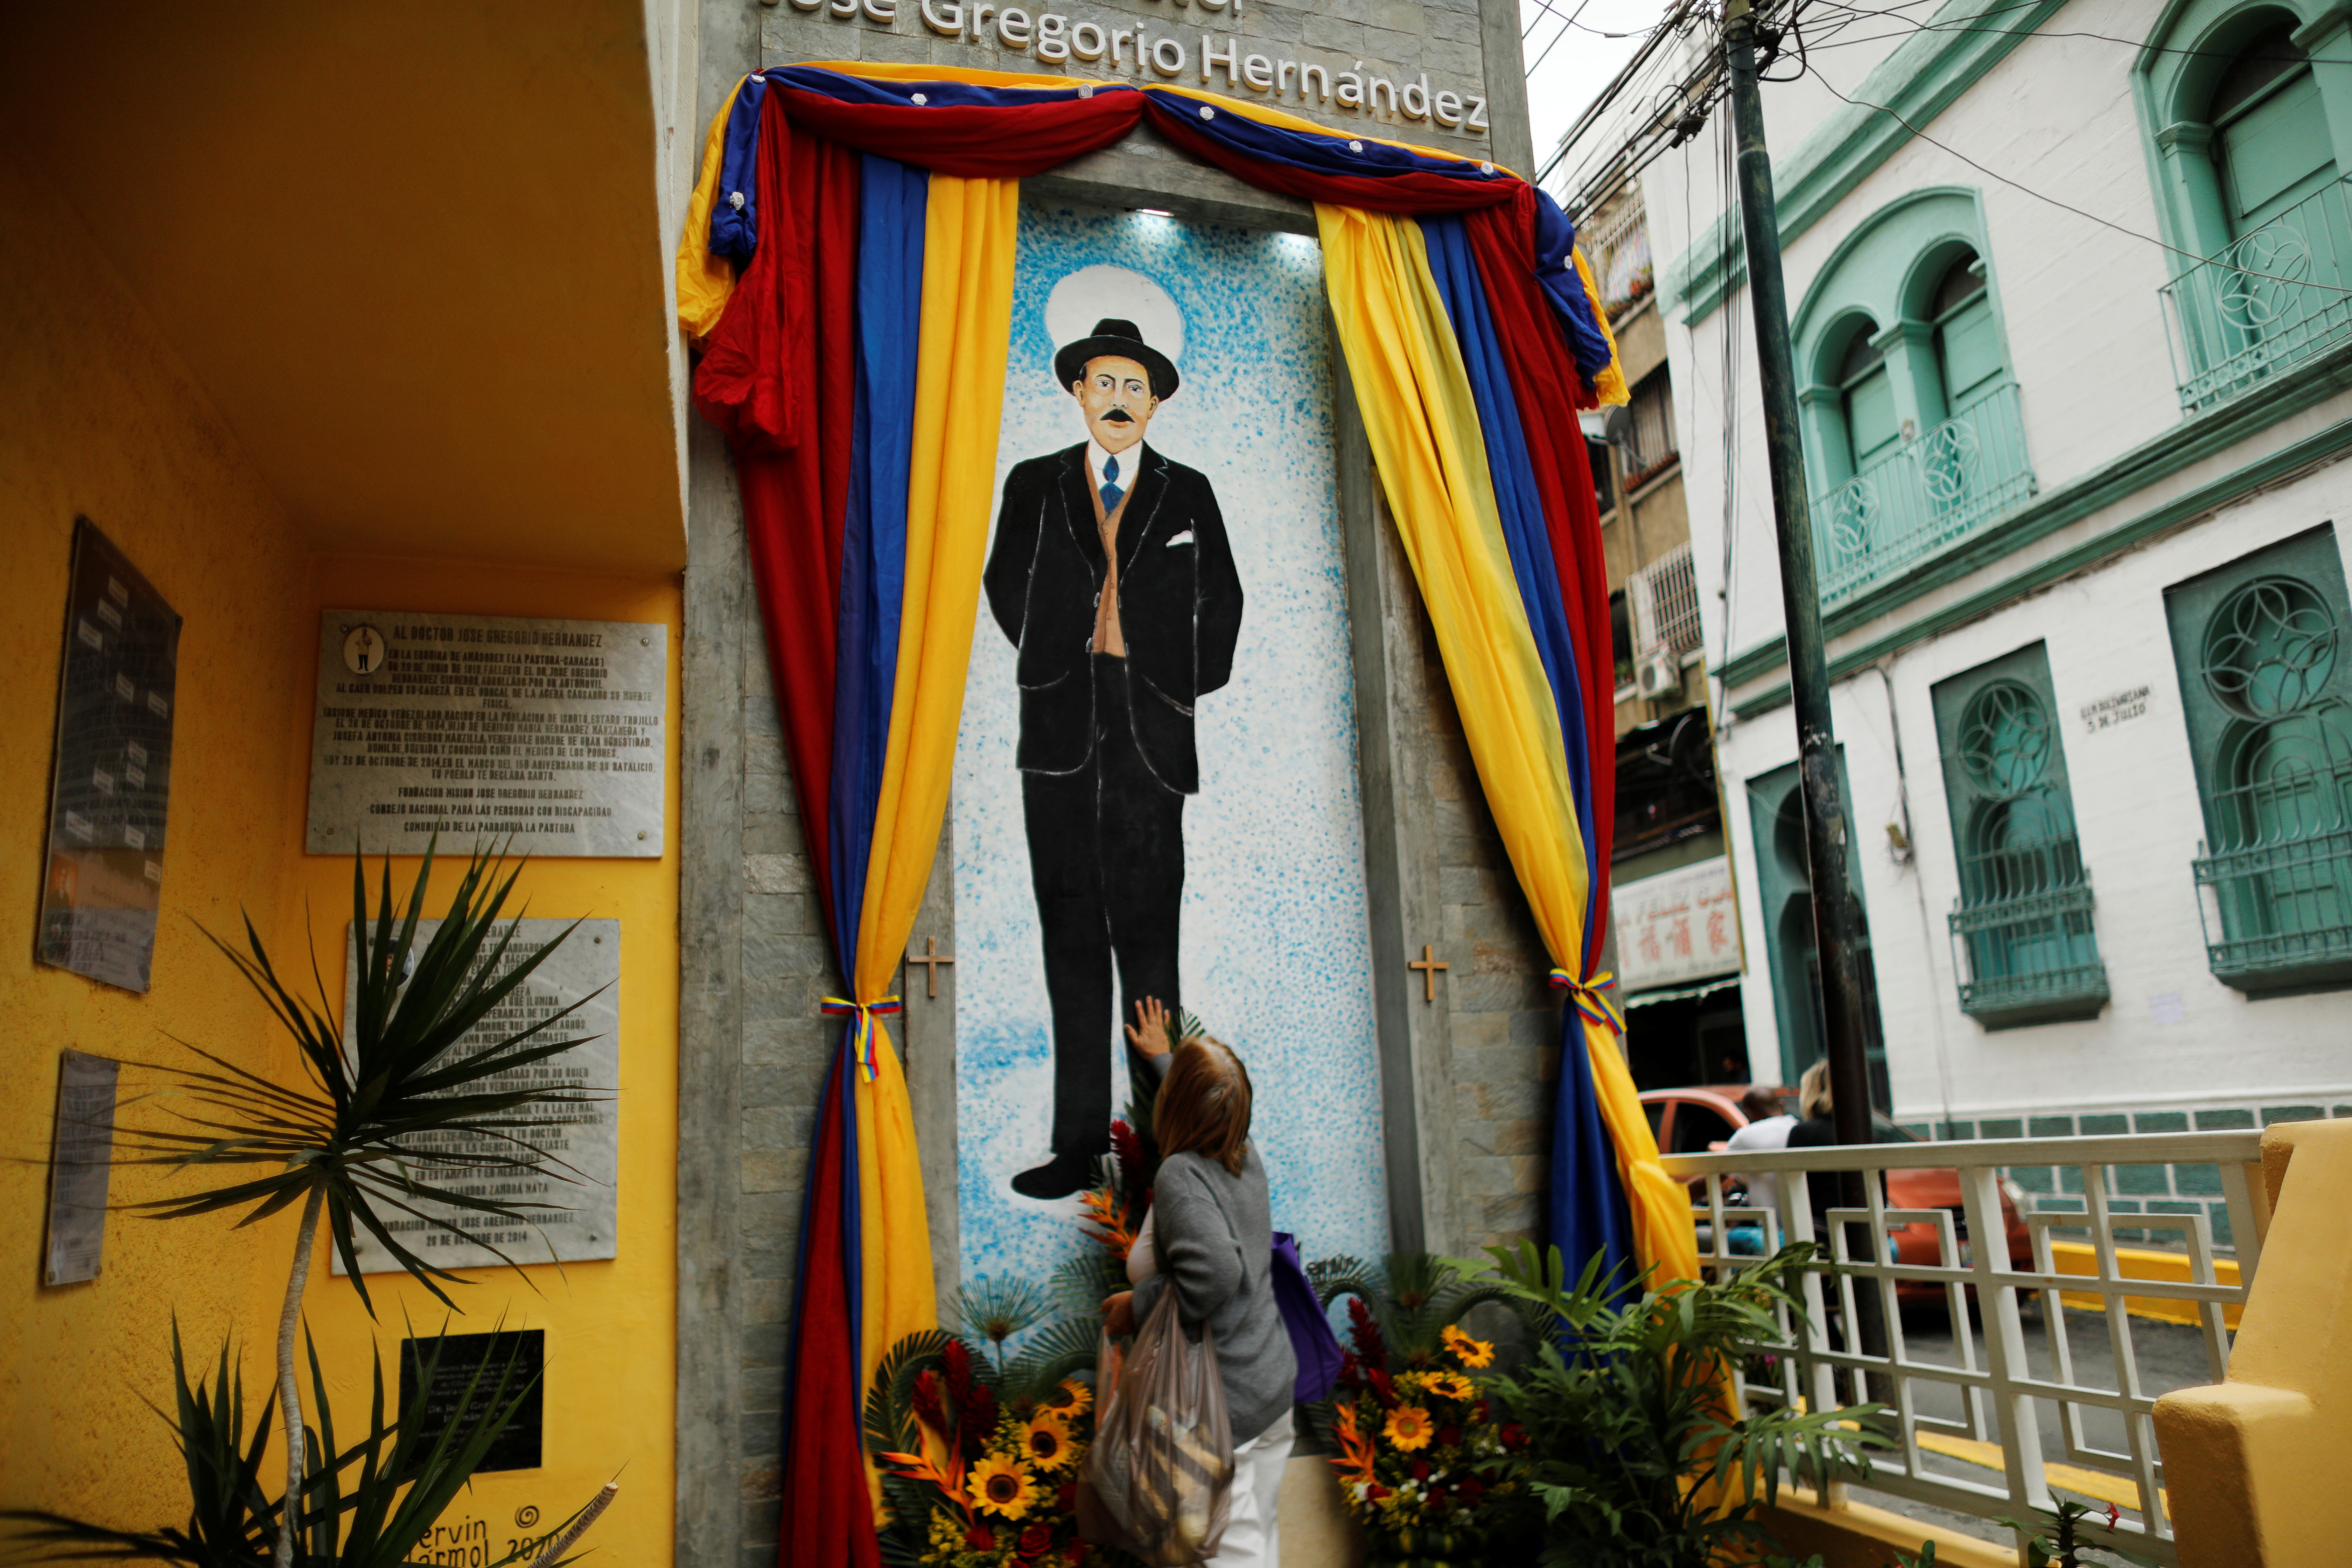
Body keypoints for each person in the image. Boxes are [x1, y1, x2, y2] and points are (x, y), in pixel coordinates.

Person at [984, 317, 1246, 1201]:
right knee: (1068, 937)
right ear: (1077, 390)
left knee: (1149, 944)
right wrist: (1055, 660)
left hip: (1149, 738)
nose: (1120, 400)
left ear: (1158, 400)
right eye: (1105, 382)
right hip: (1057, 734)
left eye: (1136, 387)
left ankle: (1159, 1151)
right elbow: (1001, 579)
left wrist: (1171, 681)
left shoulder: (1191, 492)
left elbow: (1227, 600)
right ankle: (1077, 1145)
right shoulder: (1034, 484)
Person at [1102, 999, 1293, 1568]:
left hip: (1222, 1409)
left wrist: (1138, 1305)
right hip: (1268, 1389)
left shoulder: (1181, 1175)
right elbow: (1213, 1101)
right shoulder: (1241, 1150)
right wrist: (1164, 1059)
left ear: (1178, 1107)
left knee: (1230, 1557)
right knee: (1257, 1543)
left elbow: (1216, 1273)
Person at [1722, 1085, 1796, 1255]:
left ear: (1749, 1112)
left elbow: (1717, 1174)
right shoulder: (1797, 1127)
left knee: (1728, 1240)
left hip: (1776, 1233)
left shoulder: (1746, 1136)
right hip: (1810, 1227)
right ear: (1782, 1105)